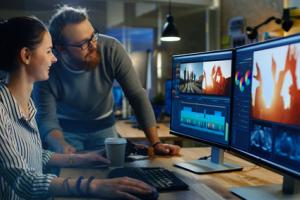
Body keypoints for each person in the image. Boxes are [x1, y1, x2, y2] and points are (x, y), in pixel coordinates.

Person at [0, 16, 157, 200]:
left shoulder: (26, 104)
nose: (54, 59)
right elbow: (24, 180)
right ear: (26, 55)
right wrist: (94, 186)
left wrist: (87, 158)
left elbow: (33, 155)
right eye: (49, 51)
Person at [33, 5, 180, 155]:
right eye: (83, 43)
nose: (94, 45)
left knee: (112, 172)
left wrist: (155, 143)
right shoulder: (47, 66)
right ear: (61, 49)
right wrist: (61, 145)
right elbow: (46, 118)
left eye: (93, 36)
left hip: (104, 128)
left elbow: (137, 96)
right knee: (71, 174)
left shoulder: (112, 48)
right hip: (65, 132)